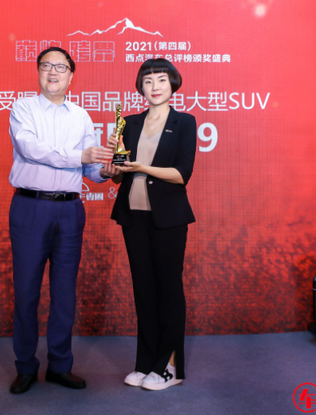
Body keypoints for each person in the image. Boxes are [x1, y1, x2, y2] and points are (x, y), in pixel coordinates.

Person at [7, 46, 119, 395]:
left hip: (70, 210)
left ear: (72, 75)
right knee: (26, 291)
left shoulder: (81, 116)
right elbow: (30, 149)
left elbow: (89, 169)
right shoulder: (23, 108)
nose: (53, 72)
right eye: (46, 66)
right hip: (31, 207)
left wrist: (106, 171)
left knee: (64, 292)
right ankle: (26, 366)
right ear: (38, 72)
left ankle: (59, 364)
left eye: (61, 67)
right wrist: (80, 156)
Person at [108, 59, 197, 391]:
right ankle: (145, 363)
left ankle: (170, 367)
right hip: (133, 216)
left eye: (161, 79)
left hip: (168, 219)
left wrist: (142, 166)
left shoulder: (184, 122)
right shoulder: (129, 123)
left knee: (169, 292)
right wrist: (114, 166)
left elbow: (181, 174)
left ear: (173, 84)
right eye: (148, 81)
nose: (155, 86)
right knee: (143, 291)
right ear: (140, 87)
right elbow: (120, 174)